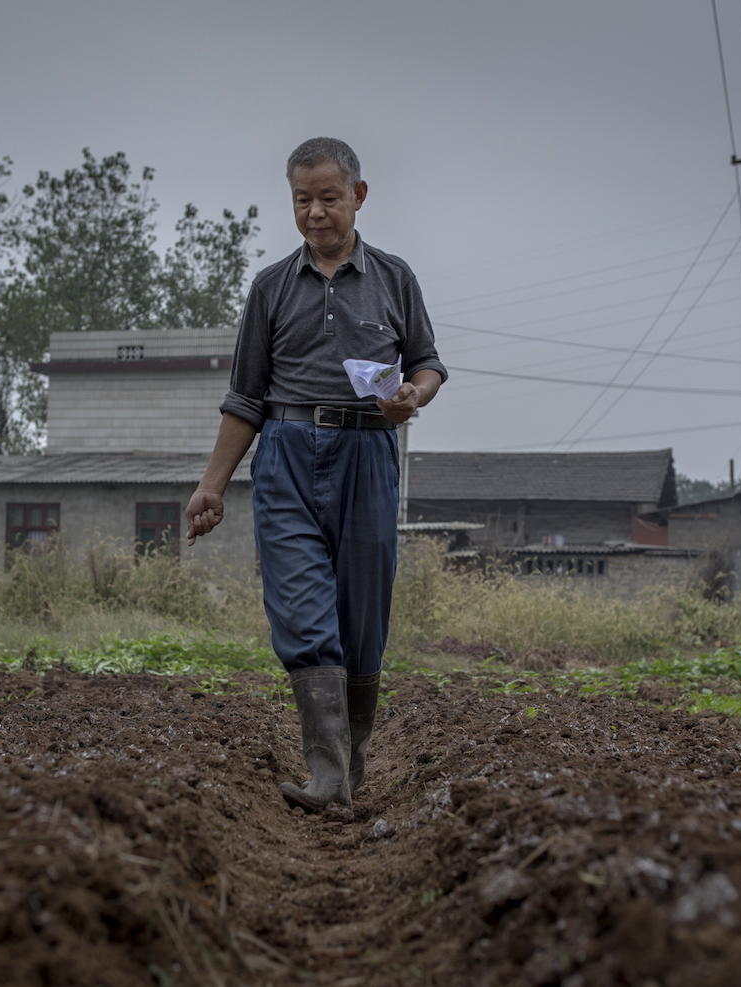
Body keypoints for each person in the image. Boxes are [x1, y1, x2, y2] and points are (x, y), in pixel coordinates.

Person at [186, 137, 447, 812]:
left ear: (358, 196)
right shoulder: (271, 287)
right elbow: (245, 396)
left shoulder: (394, 277)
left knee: (362, 619)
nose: (315, 213)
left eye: (329, 198)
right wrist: (212, 483)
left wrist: (413, 396)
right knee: (302, 609)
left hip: (368, 452)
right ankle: (328, 775)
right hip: (287, 452)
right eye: (303, 199)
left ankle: (351, 766)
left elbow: (428, 364)